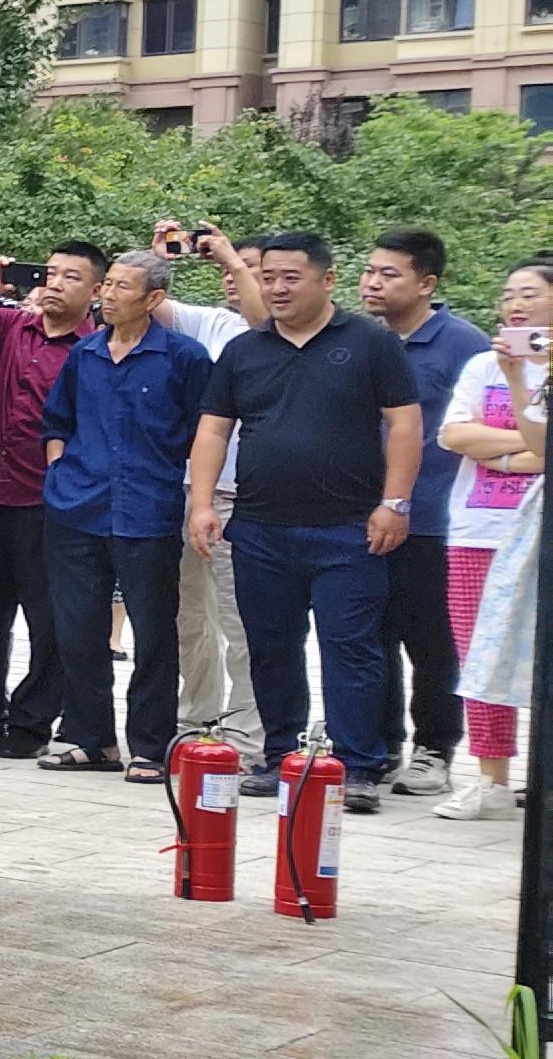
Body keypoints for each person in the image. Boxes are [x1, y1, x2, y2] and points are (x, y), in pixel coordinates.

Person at [188, 229, 419, 817]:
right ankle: (277, 754)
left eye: (291, 277)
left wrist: (395, 503)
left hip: (349, 527)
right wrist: (202, 502)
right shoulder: (245, 349)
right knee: (270, 646)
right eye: (268, 277)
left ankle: (358, 765)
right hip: (261, 525)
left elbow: (405, 424)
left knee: (352, 648)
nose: (277, 288)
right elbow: (214, 428)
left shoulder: (370, 343)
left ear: (327, 279)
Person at [36, 250, 208, 780]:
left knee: (154, 632)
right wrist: (60, 474)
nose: (107, 295)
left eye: (121, 287)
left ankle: (150, 747)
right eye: (106, 284)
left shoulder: (185, 357)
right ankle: (91, 739)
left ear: (153, 298)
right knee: (78, 629)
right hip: (76, 509)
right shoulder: (85, 353)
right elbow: (56, 422)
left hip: (148, 510)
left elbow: (208, 429)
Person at [360, 229, 490, 795]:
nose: (373, 282)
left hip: (436, 518)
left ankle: (434, 748)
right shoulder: (359, 338)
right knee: (369, 633)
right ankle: (380, 743)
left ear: (427, 283)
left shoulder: (465, 345)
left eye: (389, 274)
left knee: (432, 641)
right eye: (369, 270)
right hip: (363, 513)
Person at [0, 243, 96, 760]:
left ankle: (34, 719)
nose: (56, 283)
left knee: (50, 618)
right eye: (51, 273)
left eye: (71, 276)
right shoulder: (10, 326)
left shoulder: (96, 347)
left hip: (50, 498)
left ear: (95, 291)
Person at [428, 261, 553, 819]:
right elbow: (453, 434)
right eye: (508, 295)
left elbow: (543, 449)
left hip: (538, 528)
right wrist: (516, 454)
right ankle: (490, 778)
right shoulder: (485, 365)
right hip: (479, 529)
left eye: (530, 294)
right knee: (478, 654)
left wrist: (499, 450)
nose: (515, 304)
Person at [148, 232, 259, 756]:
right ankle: (196, 722)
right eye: (232, 270)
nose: (235, 278)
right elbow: (146, 301)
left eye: (252, 271)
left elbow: (266, 319)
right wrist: (155, 258)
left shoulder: (285, 335)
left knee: (244, 623)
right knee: (191, 617)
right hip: (195, 492)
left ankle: (248, 733)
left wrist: (236, 258)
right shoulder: (213, 322)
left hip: (249, 497)